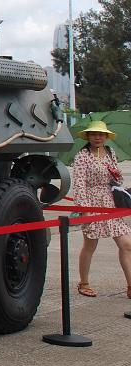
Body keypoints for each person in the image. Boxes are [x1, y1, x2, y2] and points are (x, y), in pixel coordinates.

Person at [71, 120, 131, 298]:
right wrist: (84, 209)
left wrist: (117, 176)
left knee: (126, 244)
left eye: (101, 134)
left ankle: (130, 286)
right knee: (90, 244)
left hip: (110, 202)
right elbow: (79, 184)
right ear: (88, 136)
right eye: (94, 134)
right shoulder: (82, 156)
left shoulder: (110, 152)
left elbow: (116, 180)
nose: (97, 137)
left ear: (106, 137)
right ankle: (83, 283)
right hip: (91, 202)